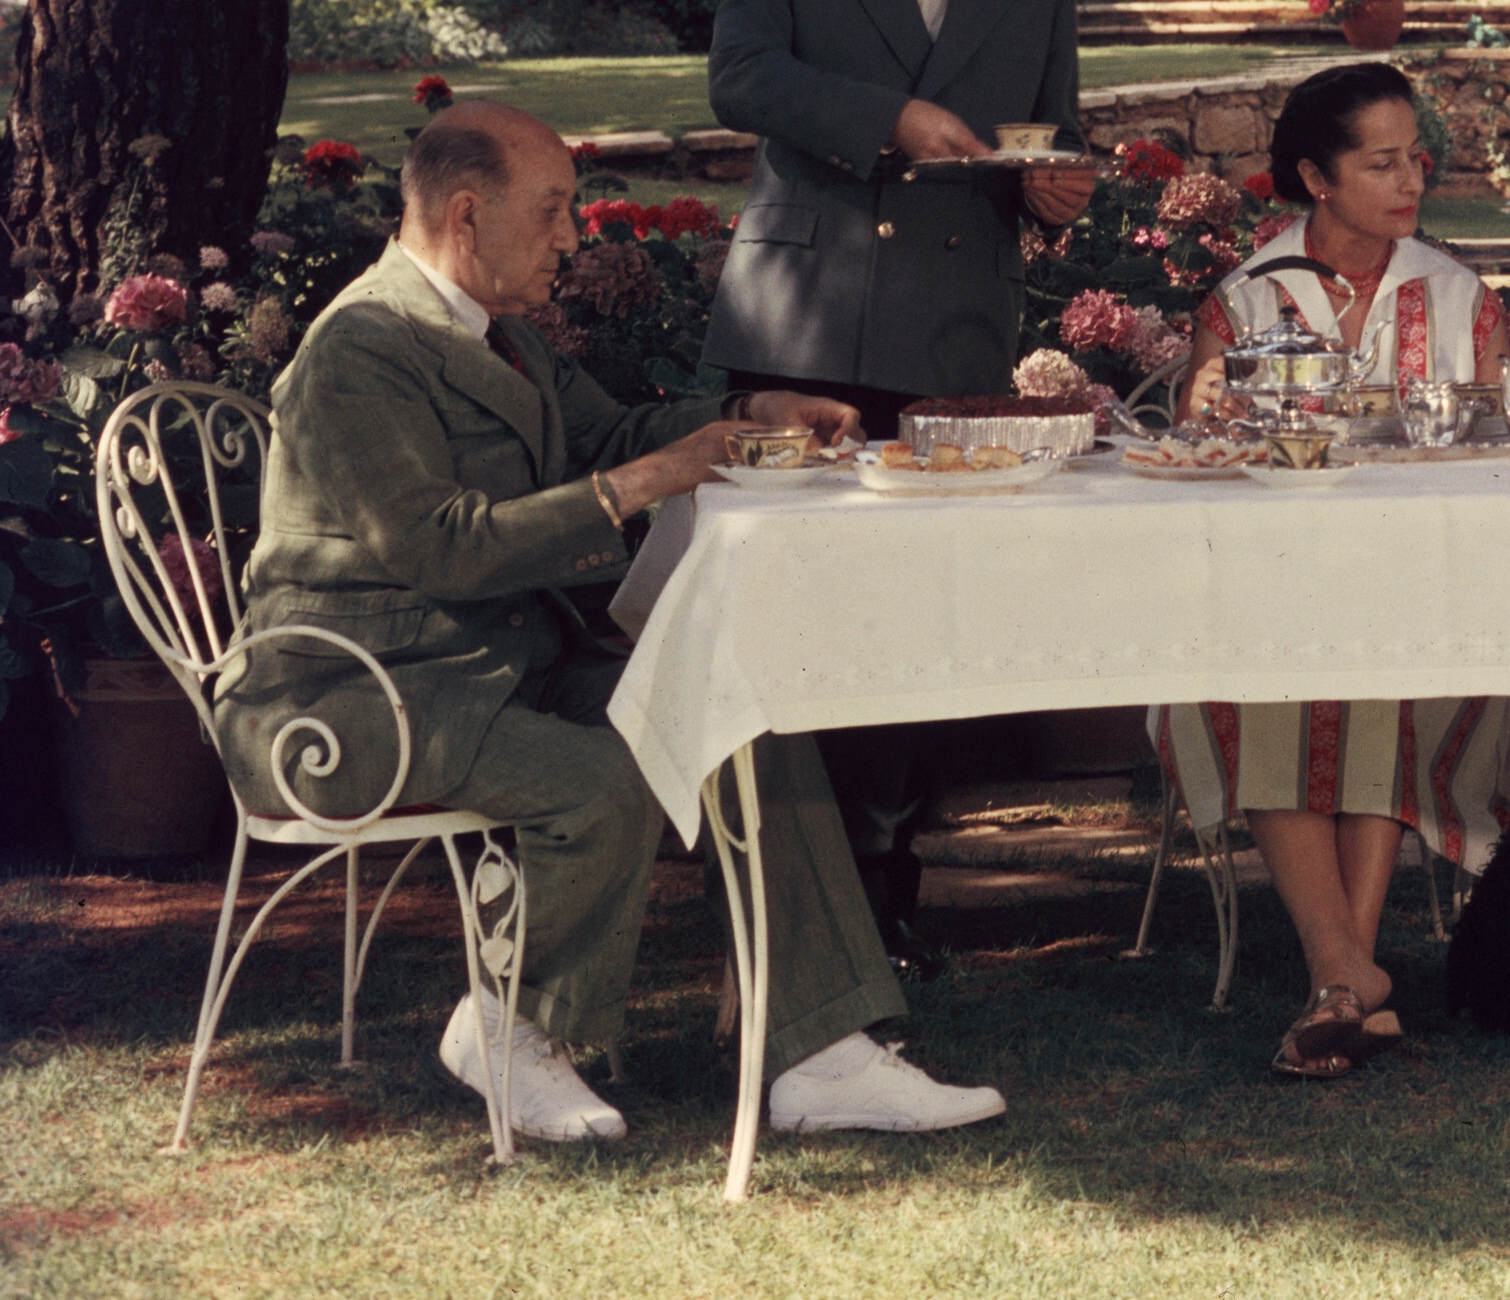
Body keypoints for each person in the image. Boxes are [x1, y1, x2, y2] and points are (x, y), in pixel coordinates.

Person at [211, 102, 1005, 1147]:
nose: (572, 239)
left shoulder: (503, 337)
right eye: (552, 213)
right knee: (610, 775)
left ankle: (821, 1051)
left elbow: (616, 432)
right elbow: (444, 548)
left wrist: (753, 412)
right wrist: (646, 481)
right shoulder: (360, 351)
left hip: (489, 673)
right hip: (348, 698)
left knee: (738, 716)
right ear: (463, 215)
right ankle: (506, 1030)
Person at [702, 0, 1098, 967]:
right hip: (801, 334)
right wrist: (891, 120)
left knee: (922, 619)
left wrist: (1052, 191)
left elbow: (1052, 138)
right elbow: (742, 81)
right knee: (793, 611)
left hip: (950, 334)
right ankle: (777, 883)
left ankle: (886, 876)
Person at [1159, 62, 1510, 1079]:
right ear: (1318, 179)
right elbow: (1201, 435)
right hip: (1271, 595)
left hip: (1429, 596)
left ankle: (1338, 985)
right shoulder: (1244, 300)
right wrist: (1209, 407)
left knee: (1382, 679)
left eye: (1415, 158)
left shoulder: (1458, 296)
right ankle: (1350, 978)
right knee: (1269, 682)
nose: (1410, 182)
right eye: (1381, 162)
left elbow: (1501, 454)